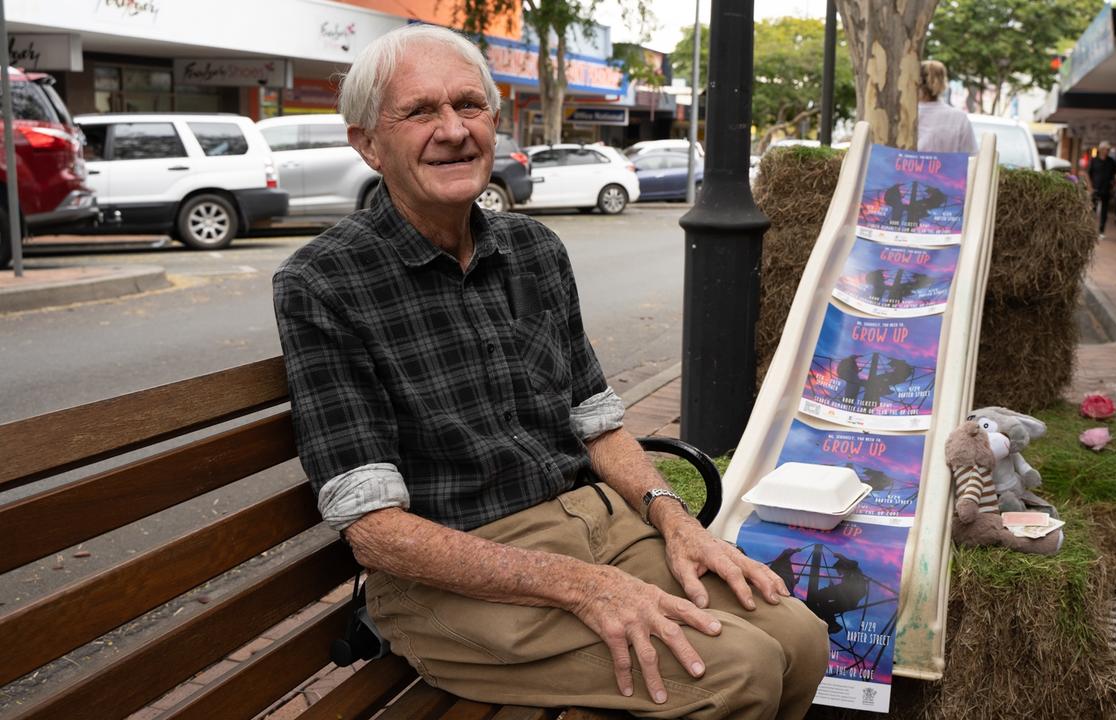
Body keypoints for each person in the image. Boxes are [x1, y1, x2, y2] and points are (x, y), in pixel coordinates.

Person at [271, 24, 828, 720]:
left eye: (469, 106)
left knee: (803, 639)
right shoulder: (325, 281)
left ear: (494, 122)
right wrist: (582, 586)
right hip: (456, 577)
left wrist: (676, 518)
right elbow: (375, 529)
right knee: (738, 672)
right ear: (367, 143)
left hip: (596, 527)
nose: (453, 130)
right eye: (420, 112)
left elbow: (598, 425)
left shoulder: (533, 248)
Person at [916, 60, 977, 154]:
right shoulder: (959, 118)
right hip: (949, 168)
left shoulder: (904, 115)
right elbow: (971, 156)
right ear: (943, 82)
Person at [1087, 141, 1116, 240]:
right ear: (1101, 149)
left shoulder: (1111, 161)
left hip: (1106, 189)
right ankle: (1091, 230)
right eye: (1106, 149)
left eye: (1109, 149)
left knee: (1104, 211)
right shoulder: (1094, 160)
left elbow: (1115, 175)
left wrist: (1113, 186)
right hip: (1095, 188)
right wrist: (1090, 187)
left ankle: (1101, 231)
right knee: (1093, 210)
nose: (1107, 151)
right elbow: (1088, 174)